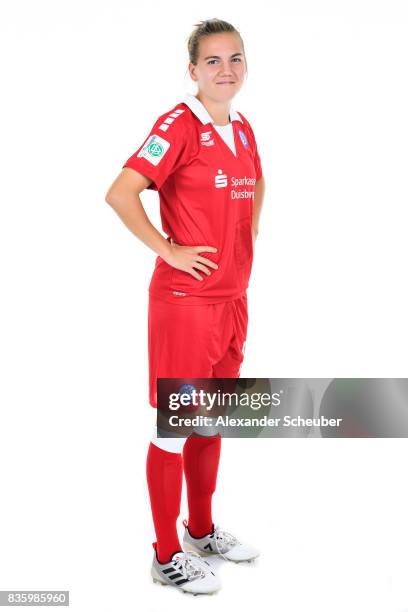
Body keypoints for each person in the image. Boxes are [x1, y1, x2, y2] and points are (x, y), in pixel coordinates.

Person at [105, 18, 265, 595]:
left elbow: (256, 187)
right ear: (193, 70)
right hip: (186, 303)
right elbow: (121, 192)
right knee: (175, 426)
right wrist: (169, 249)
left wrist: (244, 246)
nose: (227, 70)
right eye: (214, 61)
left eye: (236, 59)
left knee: (213, 418)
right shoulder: (177, 125)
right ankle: (165, 552)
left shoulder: (242, 128)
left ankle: (200, 531)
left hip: (231, 300)